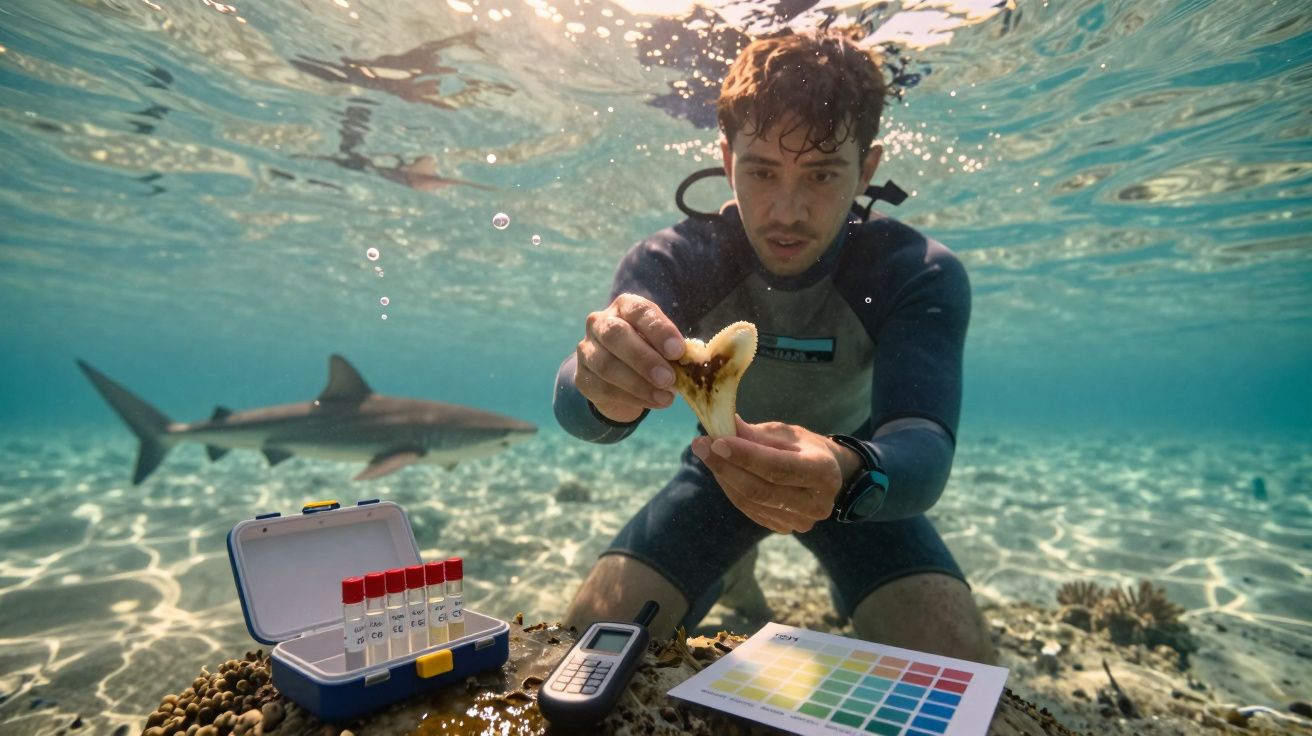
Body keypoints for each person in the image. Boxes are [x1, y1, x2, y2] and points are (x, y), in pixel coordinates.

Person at [551, 27, 995, 664]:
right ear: (728, 160)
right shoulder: (676, 262)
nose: (788, 210)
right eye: (761, 171)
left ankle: (756, 570)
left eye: (821, 174)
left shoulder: (913, 271)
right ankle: (732, 570)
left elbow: (922, 444)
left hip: (852, 475)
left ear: (866, 168)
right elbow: (578, 412)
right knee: (584, 655)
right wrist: (597, 388)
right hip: (719, 470)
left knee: (960, 669)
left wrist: (845, 472)